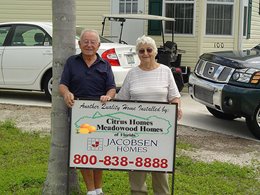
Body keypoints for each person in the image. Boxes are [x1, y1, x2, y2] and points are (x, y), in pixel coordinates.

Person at [116, 35, 182, 195]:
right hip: (136, 133)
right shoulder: (132, 74)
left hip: (160, 132)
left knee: (161, 175)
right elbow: (121, 100)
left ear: (155, 52)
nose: (145, 53)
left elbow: (175, 97)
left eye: (149, 50)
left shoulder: (165, 71)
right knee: (137, 176)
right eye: (141, 51)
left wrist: (177, 107)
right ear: (137, 54)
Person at [59, 29, 116, 195]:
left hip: (100, 116)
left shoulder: (105, 65)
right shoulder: (72, 62)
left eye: (93, 42)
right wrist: (66, 93)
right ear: (79, 44)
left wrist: (108, 96)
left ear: (98, 45)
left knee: (99, 151)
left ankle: (99, 189)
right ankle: (91, 191)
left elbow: (111, 88)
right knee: (83, 151)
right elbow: (62, 84)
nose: (89, 45)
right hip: (80, 116)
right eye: (86, 42)